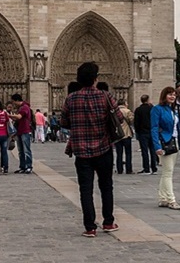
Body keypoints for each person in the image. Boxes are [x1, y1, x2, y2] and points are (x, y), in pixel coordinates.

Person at [62, 61, 126, 237]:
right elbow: (119, 118)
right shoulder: (105, 96)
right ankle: (108, 222)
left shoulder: (71, 98)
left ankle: (90, 227)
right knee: (106, 186)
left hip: (81, 151)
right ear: (96, 79)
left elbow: (64, 123)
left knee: (85, 189)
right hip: (104, 148)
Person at [151, 86, 180, 209]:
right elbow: (154, 128)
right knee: (168, 173)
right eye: (170, 94)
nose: (172, 96)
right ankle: (171, 199)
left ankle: (163, 198)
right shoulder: (157, 109)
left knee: (167, 172)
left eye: (174, 94)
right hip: (165, 143)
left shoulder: (172, 109)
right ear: (164, 96)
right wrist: (156, 146)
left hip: (174, 142)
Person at [101, 82, 133, 174]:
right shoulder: (127, 111)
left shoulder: (113, 112)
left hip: (117, 134)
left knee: (119, 153)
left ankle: (119, 169)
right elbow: (131, 121)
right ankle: (128, 169)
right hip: (126, 134)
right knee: (128, 153)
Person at [10, 93, 33, 173]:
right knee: (20, 151)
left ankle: (29, 166)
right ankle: (22, 166)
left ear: (17, 100)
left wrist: (8, 115)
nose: (13, 104)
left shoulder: (25, 107)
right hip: (20, 131)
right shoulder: (21, 108)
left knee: (26, 150)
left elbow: (19, 117)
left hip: (25, 131)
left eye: (13, 102)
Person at [134, 94, 155, 175]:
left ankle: (146, 168)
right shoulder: (152, 108)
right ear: (148, 100)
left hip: (142, 132)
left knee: (144, 151)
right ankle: (154, 167)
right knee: (152, 150)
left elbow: (136, 122)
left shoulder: (138, 110)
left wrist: (137, 131)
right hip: (151, 131)